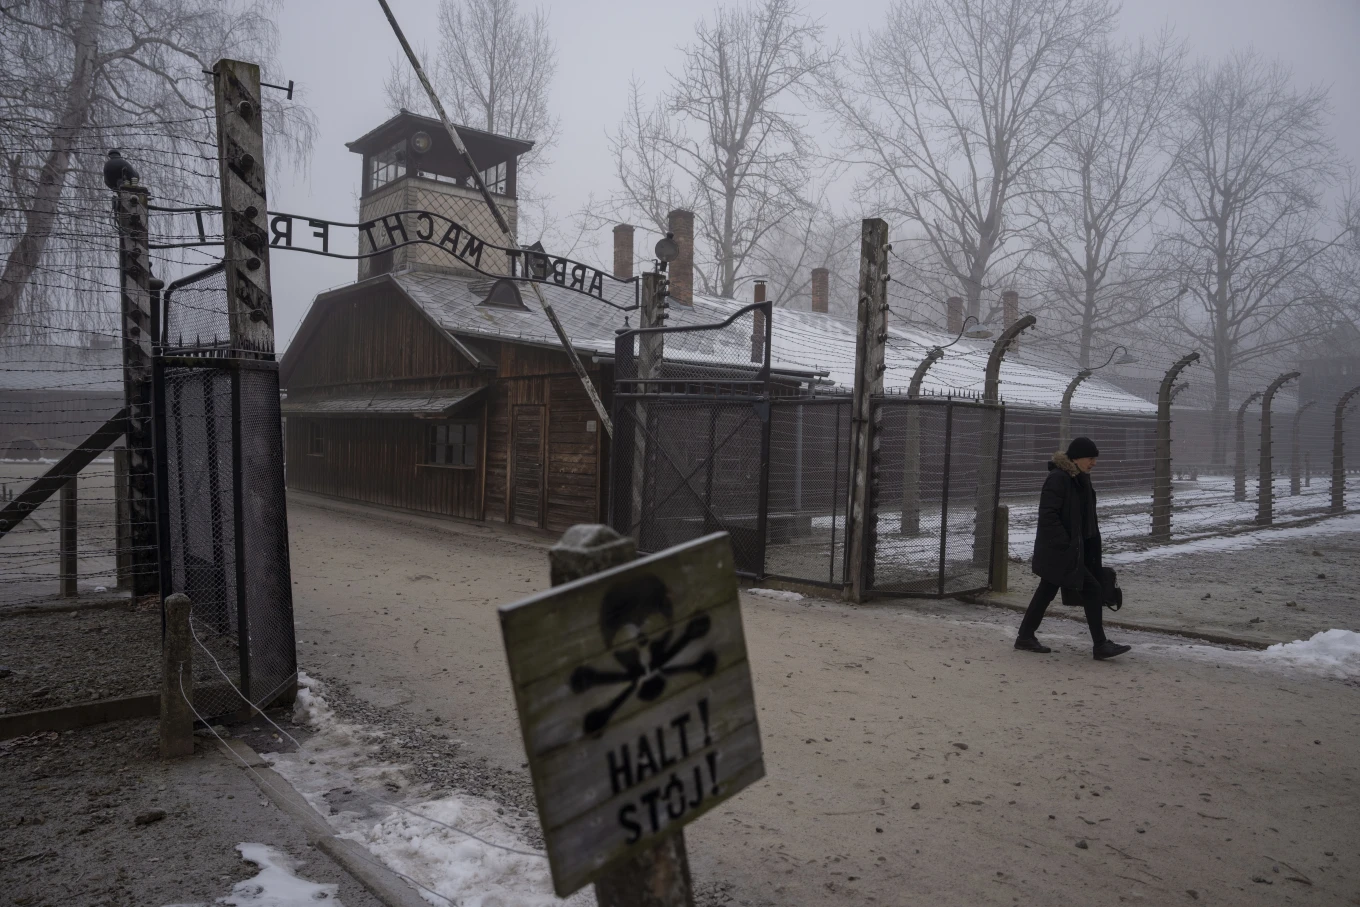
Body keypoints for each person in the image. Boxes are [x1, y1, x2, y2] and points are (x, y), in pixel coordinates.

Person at [1014, 437, 1131, 660]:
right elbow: (1048, 516)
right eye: (1090, 458)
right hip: (1060, 551)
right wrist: (1067, 544)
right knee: (1092, 589)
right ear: (1076, 458)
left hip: (1069, 551)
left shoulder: (1079, 479)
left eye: (1095, 458)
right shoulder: (1059, 479)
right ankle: (1100, 645)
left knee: (1046, 591)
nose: (1094, 462)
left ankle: (1025, 637)